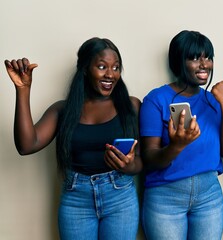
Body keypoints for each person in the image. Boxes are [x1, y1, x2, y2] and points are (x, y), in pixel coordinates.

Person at [4, 37, 142, 240]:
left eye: (116, 67)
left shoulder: (131, 106)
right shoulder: (63, 110)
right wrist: (23, 90)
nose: (110, 74)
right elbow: (26, 145)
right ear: (85, 69)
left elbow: (143, 160)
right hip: (76, 200)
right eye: (102, 66)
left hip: (120, 198)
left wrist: (129, 166)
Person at [139, 30, 223, 240]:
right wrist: (176, 145)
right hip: (165, 197)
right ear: (178, 61)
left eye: (208, 57)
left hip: (209, 197)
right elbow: (149, 159)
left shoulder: (214, 100)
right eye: (195, 58)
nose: (204, 64)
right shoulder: (156, 100)